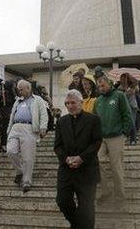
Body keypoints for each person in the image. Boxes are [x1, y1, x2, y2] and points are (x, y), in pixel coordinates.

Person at [54, 90, 102, 229]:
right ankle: (77, 225)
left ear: (81, 102)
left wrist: (81, 158)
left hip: (87, 170)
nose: (70, 106)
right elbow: (58, 146)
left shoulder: (93, 119)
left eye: (73, 102)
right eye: (67, 103)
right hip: (67, 170)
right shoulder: (62, 121)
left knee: (86, 207)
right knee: (62, 201)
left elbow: (96, 142)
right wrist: (66, 159)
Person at [93, 75, 132, 202]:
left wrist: (125, 132)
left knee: (116, 166)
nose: (101, 88)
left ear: (109, 84)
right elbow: (94, 118)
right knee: (99, 163)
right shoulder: (98, 100)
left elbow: (127, 114)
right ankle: (106, 192)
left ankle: (120, 195)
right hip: (101, 137)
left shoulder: (119, 95)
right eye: (99, 86)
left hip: (116, 136)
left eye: (102, 85)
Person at [6, 79, 48, 193]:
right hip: (15, 127)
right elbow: (12, 115)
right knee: (10, 151)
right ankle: (20, 171)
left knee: (27, 157)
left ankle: (26, 182)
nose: (19, 91)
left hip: (29, 128)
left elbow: (44, 114)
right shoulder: (17, 101)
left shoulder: (38, 100)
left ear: (28, 88)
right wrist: (8, 129)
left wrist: (43, 127)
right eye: (18, 89)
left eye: (21, 89)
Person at [118, 74, 139, 145]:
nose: (123, 80)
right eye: (122, 79)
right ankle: (128, 136)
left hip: (133, 106)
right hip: (125, 107)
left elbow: (136, 91)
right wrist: (125, 93)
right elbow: (120, 97)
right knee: (128, 122)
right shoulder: (120, 88)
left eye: (124, 78)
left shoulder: (133, 86)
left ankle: (133, 139)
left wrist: (131, 90)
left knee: (132, 122)